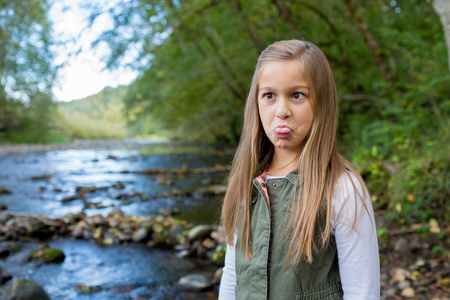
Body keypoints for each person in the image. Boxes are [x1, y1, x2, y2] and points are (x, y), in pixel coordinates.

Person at [218, 40, 380, 300]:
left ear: (322, 102)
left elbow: (363, 292)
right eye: (269, 95)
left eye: (297, 95)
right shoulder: (246, 184)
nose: (282, 111)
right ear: (256, 103)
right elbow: (232, 275)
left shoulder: (342, 188)